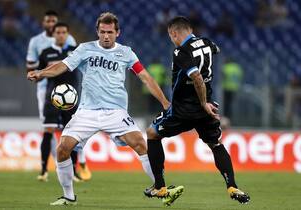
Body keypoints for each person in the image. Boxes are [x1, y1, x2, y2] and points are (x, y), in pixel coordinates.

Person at [27, 12, 184, 206]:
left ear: (118, 32)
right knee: (62, 149)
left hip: (116, 112)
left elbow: (145, 77)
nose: (106, 36)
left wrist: (165, 102)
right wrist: (41, 73)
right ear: (97, 32)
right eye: (102, 32)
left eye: (110, 32)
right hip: (87, 112)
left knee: (141, 144)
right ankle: (68, 196)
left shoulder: (126, 52)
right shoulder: (85, 49)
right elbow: (63, 66)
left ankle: (161, 189)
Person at [144, 16, 250, 205]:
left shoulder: (180, 51)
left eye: (171, 36)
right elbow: (216, 50)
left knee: (152, 134)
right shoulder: (207, 42)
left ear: (174, 33)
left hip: (184, 109)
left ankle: (159, 187)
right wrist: (206, 103)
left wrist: (202, 102)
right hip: (206, 109)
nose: (171, 39)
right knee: (216, 144)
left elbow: (197, 77)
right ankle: (232, 186)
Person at [26, 10, 91, 182]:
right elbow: (39, 72)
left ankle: (75, 170)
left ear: (67, 34)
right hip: (51, 96)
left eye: (64, 32)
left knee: (73, 134)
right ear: (53, 34)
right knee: (48, 131)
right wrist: (35, 75)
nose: (61, 35)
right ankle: (43, 171)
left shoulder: (75, 51)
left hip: (72, 97)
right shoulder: (46, 52)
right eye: (58, 32)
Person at [222, 57, 243, 121]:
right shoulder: (237, 68)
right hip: (235, 88)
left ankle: (226, 118)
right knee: (233, 104)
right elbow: (240, 77)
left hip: (227, 87)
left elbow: (223, 76)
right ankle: (233, 118)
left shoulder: (225, 67)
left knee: (226, 104)